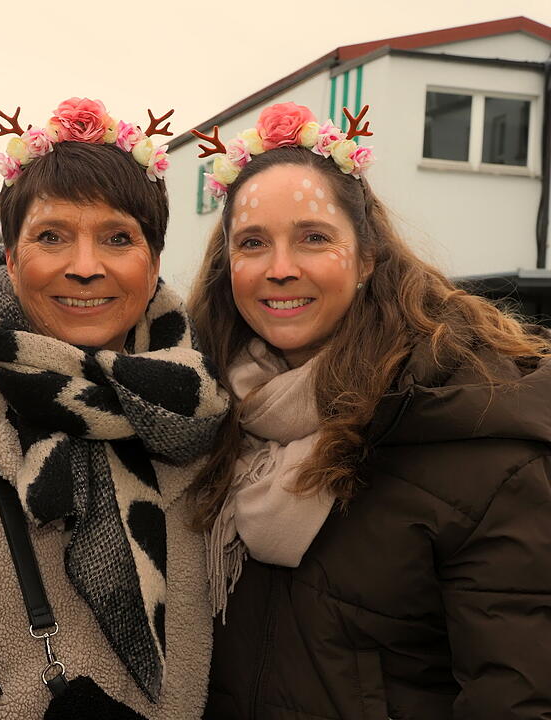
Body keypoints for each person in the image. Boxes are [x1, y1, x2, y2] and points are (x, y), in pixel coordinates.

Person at [187, 101, 551, 720]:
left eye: (313, 238)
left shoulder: (474, 430)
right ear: (229, 268)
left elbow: (514, 698)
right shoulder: (206, 411)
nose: (280, 269)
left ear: (367, 258)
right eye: (253, 244)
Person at [0, 97, 229, 719]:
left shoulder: (198, 400)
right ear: (9, 253)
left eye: (117, 238)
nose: (85, 268)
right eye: (51, 237)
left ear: (155, 260)